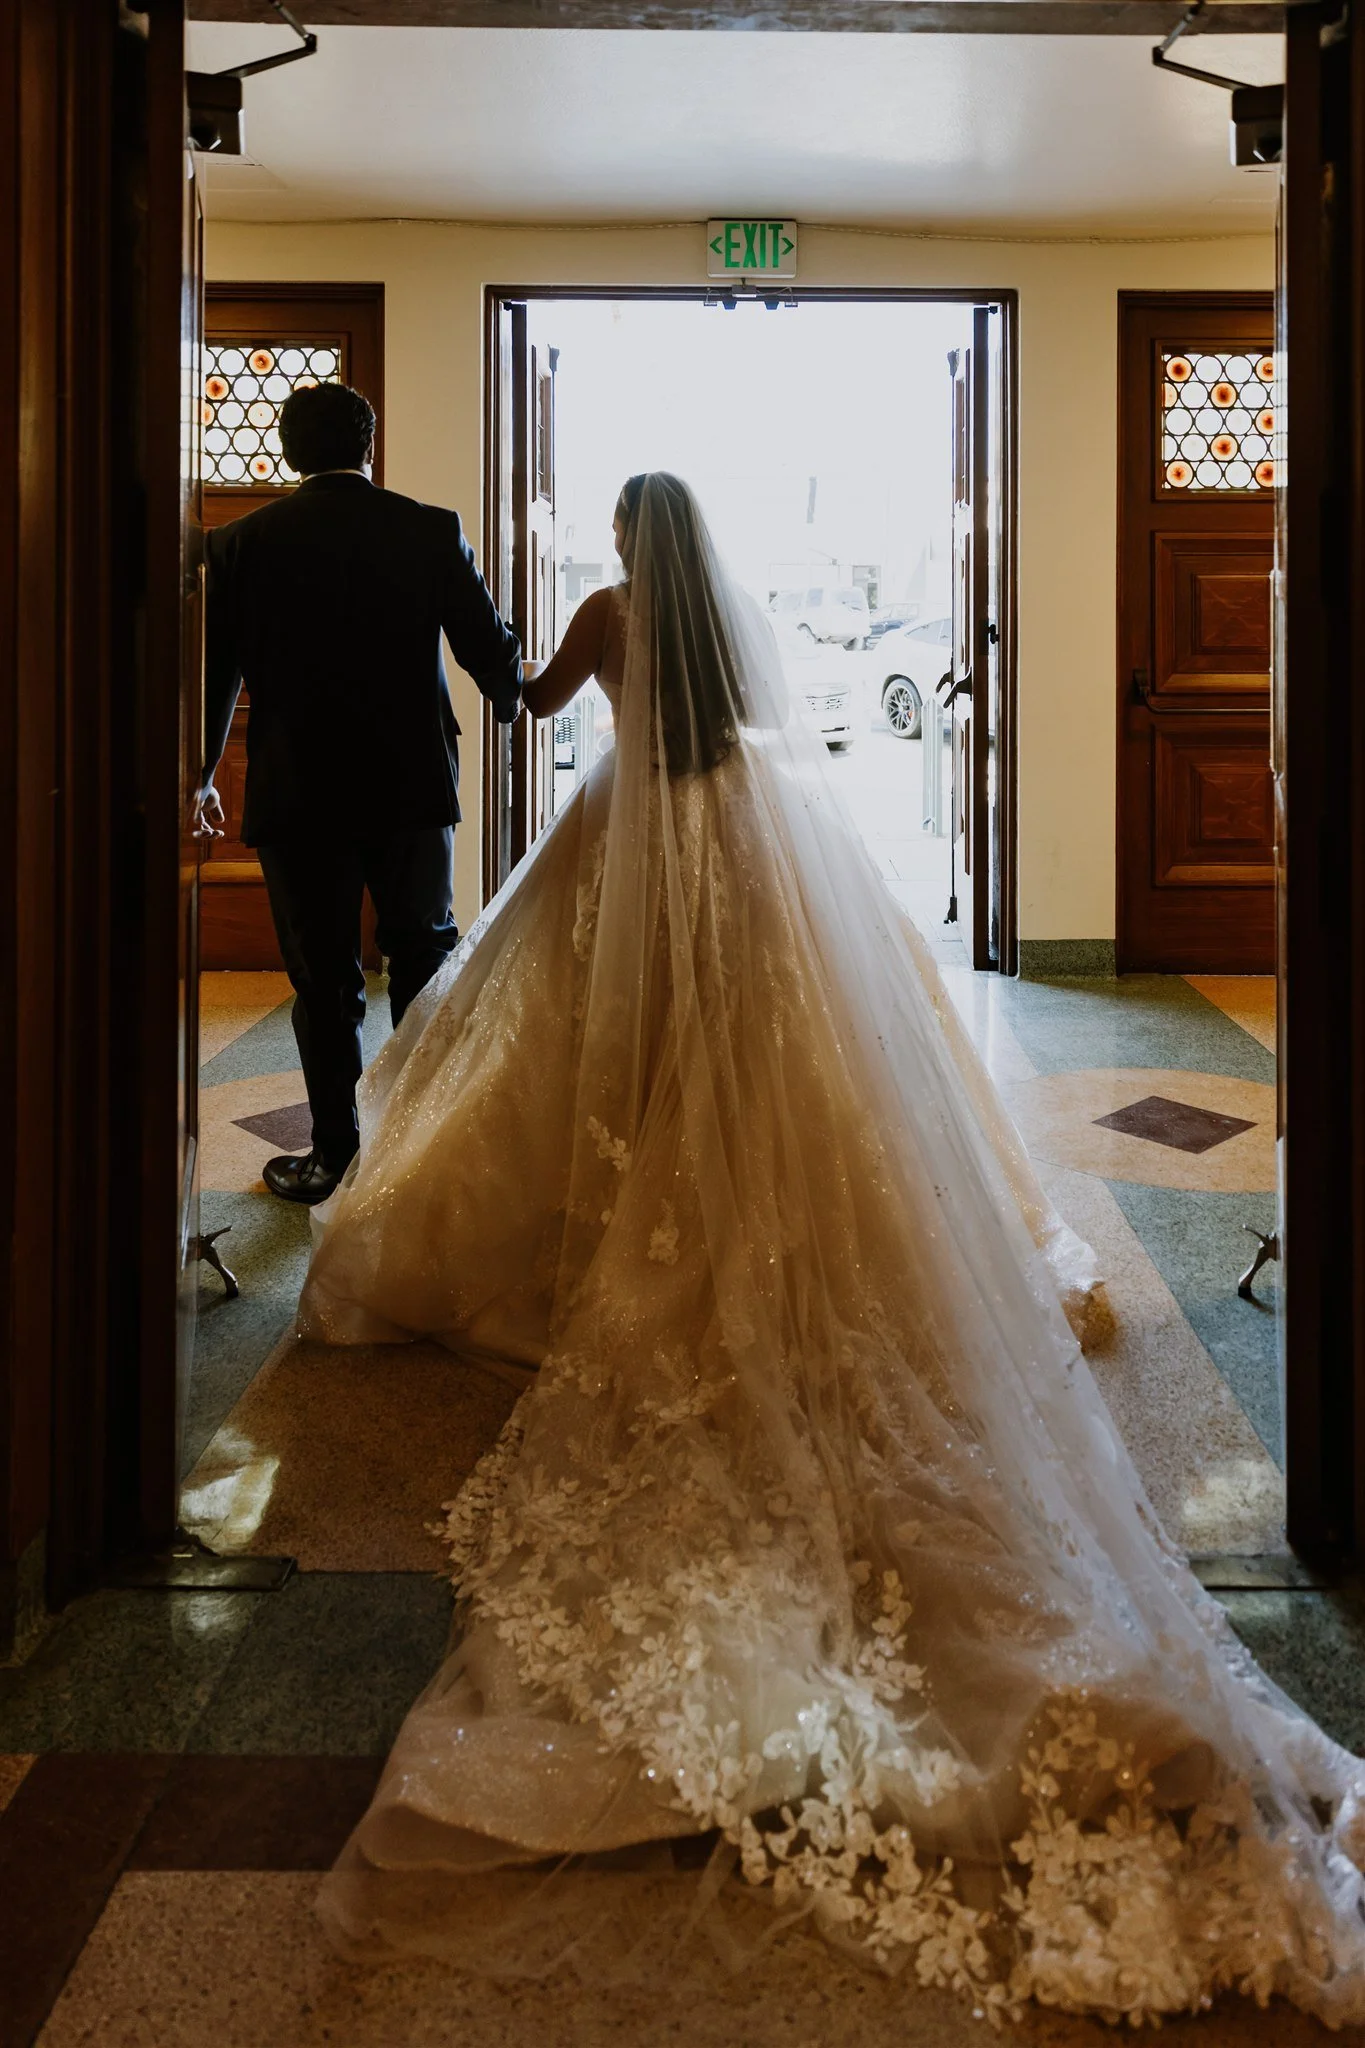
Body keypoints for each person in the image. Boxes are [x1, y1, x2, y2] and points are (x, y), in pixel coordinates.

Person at [301, 475, 1365, 2028]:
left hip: (625, 841)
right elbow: (737, 721)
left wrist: (511, 646)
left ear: (628, 542)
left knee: (590, 1058)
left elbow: (533, 700)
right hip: (735, 836)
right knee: (764, 1065)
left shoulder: (607, 614)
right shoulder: (726, 628)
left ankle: (592, 1229)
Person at [199, 380, 523, 1204]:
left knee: (324, 979)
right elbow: (485, 646)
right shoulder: (429, 529)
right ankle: (420, 1149)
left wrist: (199, 774)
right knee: (422, 956)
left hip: (297, 788)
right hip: (411, 783)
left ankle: (333, 1154)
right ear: (368, 447)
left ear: (287, 452)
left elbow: (215, 675)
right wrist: (510, 697)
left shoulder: (239, 543)